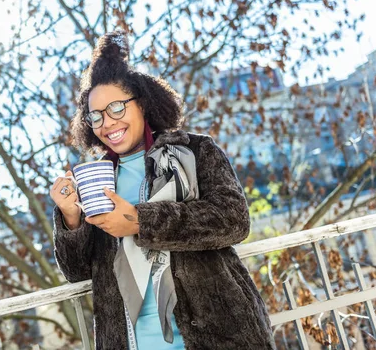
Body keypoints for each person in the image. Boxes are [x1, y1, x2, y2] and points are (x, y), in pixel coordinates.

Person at [50, 31, 275, 349]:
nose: (106, 123)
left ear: (141, 103)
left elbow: (234, 219)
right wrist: (71, 218)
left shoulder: (195, 151)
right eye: (95, 115)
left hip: (217, 338)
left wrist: (141, 221)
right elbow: (77, 272)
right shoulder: (98, 180)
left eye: (116, 108)